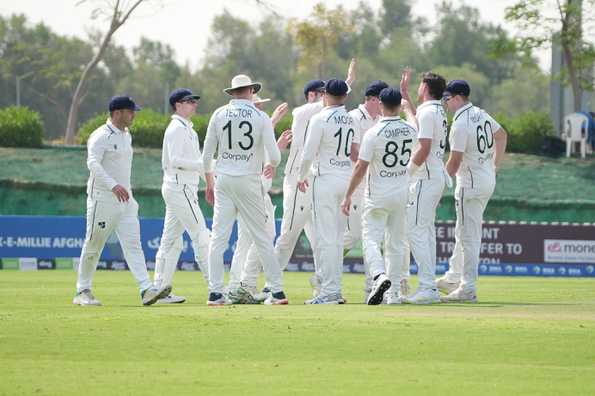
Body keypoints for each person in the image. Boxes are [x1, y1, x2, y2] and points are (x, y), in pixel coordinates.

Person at [73, 96, 170, 306]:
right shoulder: (100, 136)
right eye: (130, 111)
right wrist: (113, 185)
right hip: (103, 199)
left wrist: (126, 191)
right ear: (117, 113)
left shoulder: (127, 135)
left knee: (133, 244)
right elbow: (93, 164)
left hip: (126, 201)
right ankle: (82, 291)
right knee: (93, 245)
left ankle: (146, 289)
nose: (134, 115)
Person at [202, 74, 287, 306]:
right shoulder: (260, 117)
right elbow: (276, 157)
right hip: (249, 180)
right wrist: (268, 162)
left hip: (224, 179)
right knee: (261, 236)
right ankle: (277, 292)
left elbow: (206, 156)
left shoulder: (218, 114)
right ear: (250, 91)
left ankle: (215, 293)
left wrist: (209, 183)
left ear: (232, 93)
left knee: (218, 238)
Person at [274, 59, 356, 297]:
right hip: (299, 183)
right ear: (311, 95)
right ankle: (273, 285)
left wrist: (345, 84)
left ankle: (325, 289)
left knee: (323, 240)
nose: (322, 97)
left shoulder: (324, 115)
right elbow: (332, 103)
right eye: (319, 93)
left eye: (325, 93)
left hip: (317, 180)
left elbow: (333, 103)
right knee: (289, 235)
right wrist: (346, 84)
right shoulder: (302, 113)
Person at [341, 87, 418, 305]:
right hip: (401, 194)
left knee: (371, 239)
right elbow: (416, 127)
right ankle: (393, 295)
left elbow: (360, 168)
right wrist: (408, 110)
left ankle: (378, 275)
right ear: (398, 105)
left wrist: (347, 195)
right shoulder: (409, 130)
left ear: (381, 105)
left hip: (378, 195)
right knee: (396, 244)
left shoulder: (373, 133)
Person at [437, 80, 508, 303]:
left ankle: (468, 287)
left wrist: (439, 187)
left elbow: (454, 161)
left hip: (471, 183)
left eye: (447, 99)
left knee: (469, 235)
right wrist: (495, 167)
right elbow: (502, 135)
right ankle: (453, 277)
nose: (446, 104)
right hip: (485, 178)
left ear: (458, 98)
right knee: (463, 230)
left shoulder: (460, 123)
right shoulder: (481, 113)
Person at [297, 79, 359, 304]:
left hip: (325, 179)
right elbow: (354, 151)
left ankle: (329, 291)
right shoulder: (351, 118)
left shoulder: (320, 118)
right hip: (346, 179)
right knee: (337, 238)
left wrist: (301, 176)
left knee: (326, 239)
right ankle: (335, 289)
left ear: (325, 94)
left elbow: (307, 153)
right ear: (344, 96)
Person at [226, 95, 291, 303]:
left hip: (254, 189)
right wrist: (277, 145)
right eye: (258, 104)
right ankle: (245, 284)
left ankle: (239, 286)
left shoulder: (248, 124)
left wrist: (273, 121)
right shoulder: (252, 123)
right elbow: (258, 149)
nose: (261, 107)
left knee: (247, 240)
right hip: (254, 190)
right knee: (260, 236)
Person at [152, 88, 211, 304]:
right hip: (179, 187)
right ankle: (215, 288)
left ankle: (159, 290)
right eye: (189, 101)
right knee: (200, 234)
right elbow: (174, 159)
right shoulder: (176, 128)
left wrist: (211, 183)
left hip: (184, 187)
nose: (194, 104)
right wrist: (202, 164)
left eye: (195, 101)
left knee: (171, 242)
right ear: (178, 105)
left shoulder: (189, 130)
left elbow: (198, 165)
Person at [399, 71, 449, 305]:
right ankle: (430, 286)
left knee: (416, 230)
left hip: (425, 177)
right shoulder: (437, 110)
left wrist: (407, 174)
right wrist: (406, 95)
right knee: (425, 231)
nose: (418, 88)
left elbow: (424, 146)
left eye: (420, 85)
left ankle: (428, 286)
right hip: (435, 176)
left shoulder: (429, 111)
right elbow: (419, 123)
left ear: (426, 87)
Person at [345, 80, 388, 302]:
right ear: (371, 99)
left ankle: (370, 286)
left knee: (372, 237)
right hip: (357, 181)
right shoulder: (354, 117)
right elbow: (353, 152)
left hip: (375, 184)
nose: (381, 106)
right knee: (351, 236)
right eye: (379, 102)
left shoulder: (381, 119)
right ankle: (324, 275)